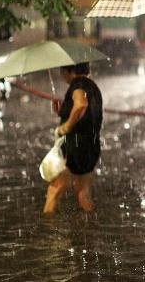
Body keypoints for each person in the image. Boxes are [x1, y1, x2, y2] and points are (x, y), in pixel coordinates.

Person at [43, 62, 103, 214]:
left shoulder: (78, 84)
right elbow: (85, 112)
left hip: (75, 147)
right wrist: (62, 111)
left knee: (54, 191)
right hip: (91, 146)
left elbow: (81, 105)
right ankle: (89, 228)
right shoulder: (92, 87)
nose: (61, 74)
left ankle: (46, 231)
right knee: (82, 191)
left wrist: (66, 126)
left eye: (62, 70)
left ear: (69, 70)